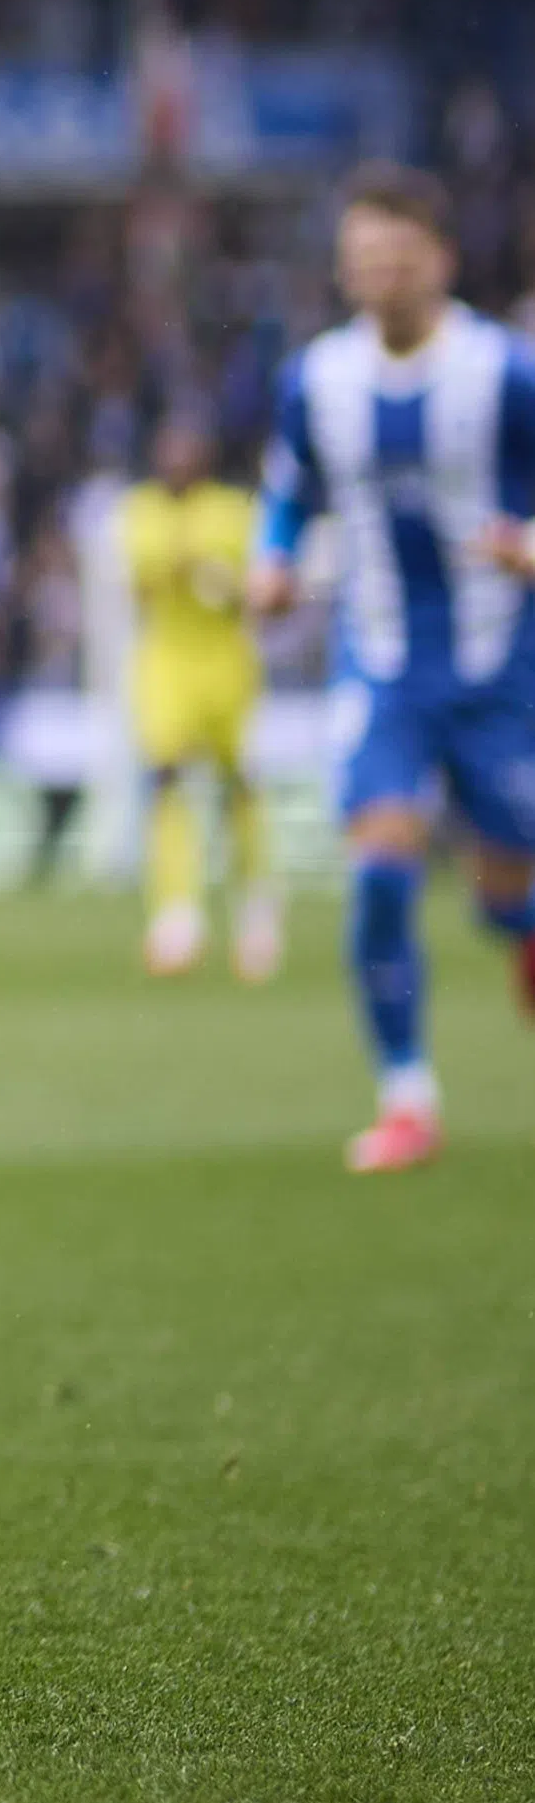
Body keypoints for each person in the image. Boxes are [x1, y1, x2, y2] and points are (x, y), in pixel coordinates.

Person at [247, 164, 535, 1174]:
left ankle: (515, 920)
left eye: (397, 257)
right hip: (377, 665)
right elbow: (288, 493)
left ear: (440, 262)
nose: (378, 274)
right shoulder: (312, 381)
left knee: (511, 894)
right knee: (377, 871)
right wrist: (272, 563)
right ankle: (405, 1095)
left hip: (500, 666)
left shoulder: (504, 372)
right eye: (361, 258)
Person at [116, 409, 278, 980]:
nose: (175, 460)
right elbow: (138, 585)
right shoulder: (140, 510)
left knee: (239, 786)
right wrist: (189, 569)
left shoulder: (234, 513)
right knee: (166, 779)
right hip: (166, 659)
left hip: (226, 659)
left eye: (186, 448)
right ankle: (176, 917)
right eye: (168, 448)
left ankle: (257, 910)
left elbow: (254, 593)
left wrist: (224, 583)